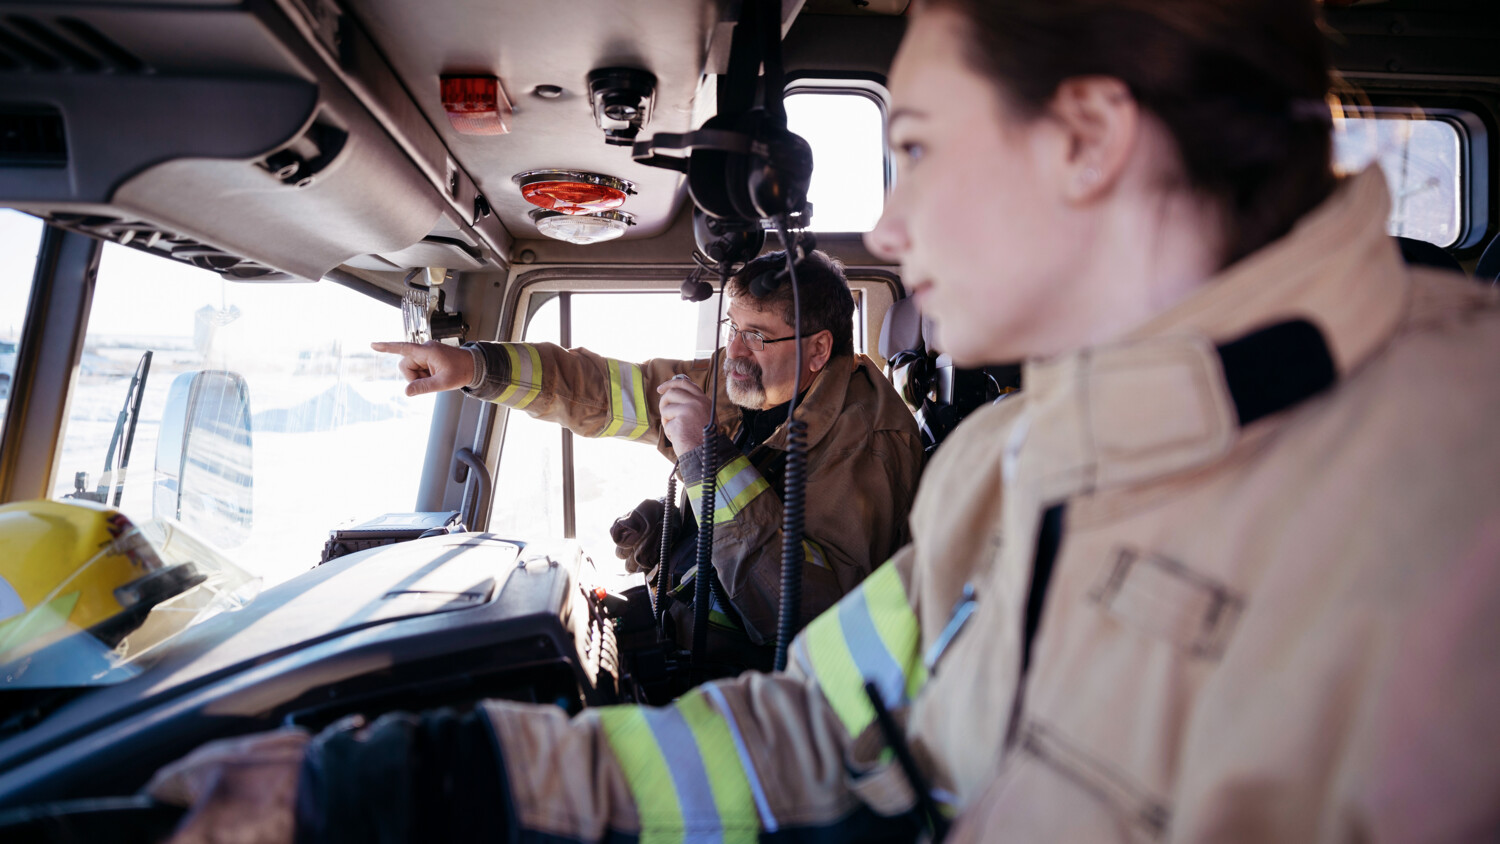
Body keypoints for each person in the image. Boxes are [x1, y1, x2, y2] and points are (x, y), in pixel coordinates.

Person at [151, 0, 1500, 840]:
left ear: (1086, 136)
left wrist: (705, 470)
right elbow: (816, 724)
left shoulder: (1461, 481)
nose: (893, 226)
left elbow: (796, 604)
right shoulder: (1013, 467)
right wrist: (409, 787)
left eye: (913, 147)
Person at [373, 249, 923, 673]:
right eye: (733, 327)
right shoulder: (748, 380)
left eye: (757, 335)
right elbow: (605, 391)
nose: (734, 352)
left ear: (819, 350)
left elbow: (808, 614)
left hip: (755, 681)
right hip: (685, 623)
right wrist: (475, 367)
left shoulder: (870, 442)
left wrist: (704, 459)